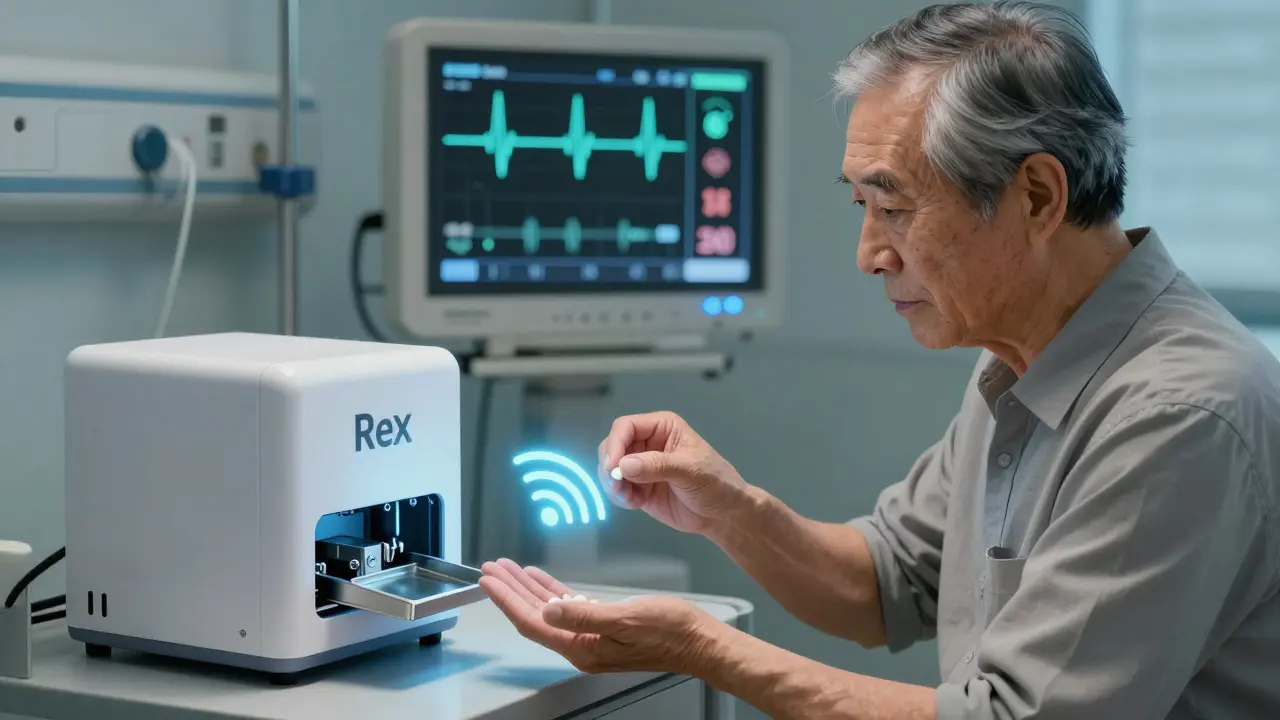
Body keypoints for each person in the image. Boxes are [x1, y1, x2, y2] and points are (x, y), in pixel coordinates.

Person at [478, 2, 1280, 718]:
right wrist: (727, 507)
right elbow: (884, 583)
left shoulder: (1178, 416)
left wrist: (702, 646)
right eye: (862, 206)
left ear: (1037, 197)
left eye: (894, 209)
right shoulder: (1023, 354)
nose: (869, 255)